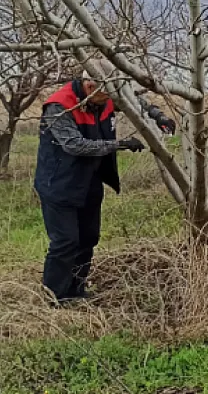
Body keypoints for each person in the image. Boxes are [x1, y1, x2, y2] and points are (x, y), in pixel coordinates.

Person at [34, 75, 174, 303]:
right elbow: (74, 145)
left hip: (89, 180)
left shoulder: (105, 95)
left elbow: (135, 102)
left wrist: (158, 116)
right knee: (65, 241)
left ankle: (76, 291)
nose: (110, 100)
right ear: (90, 85)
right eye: (106, 94)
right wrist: (118, 145)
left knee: (88, 237)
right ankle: (54, 296)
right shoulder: (59, 105)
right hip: (58, 183)